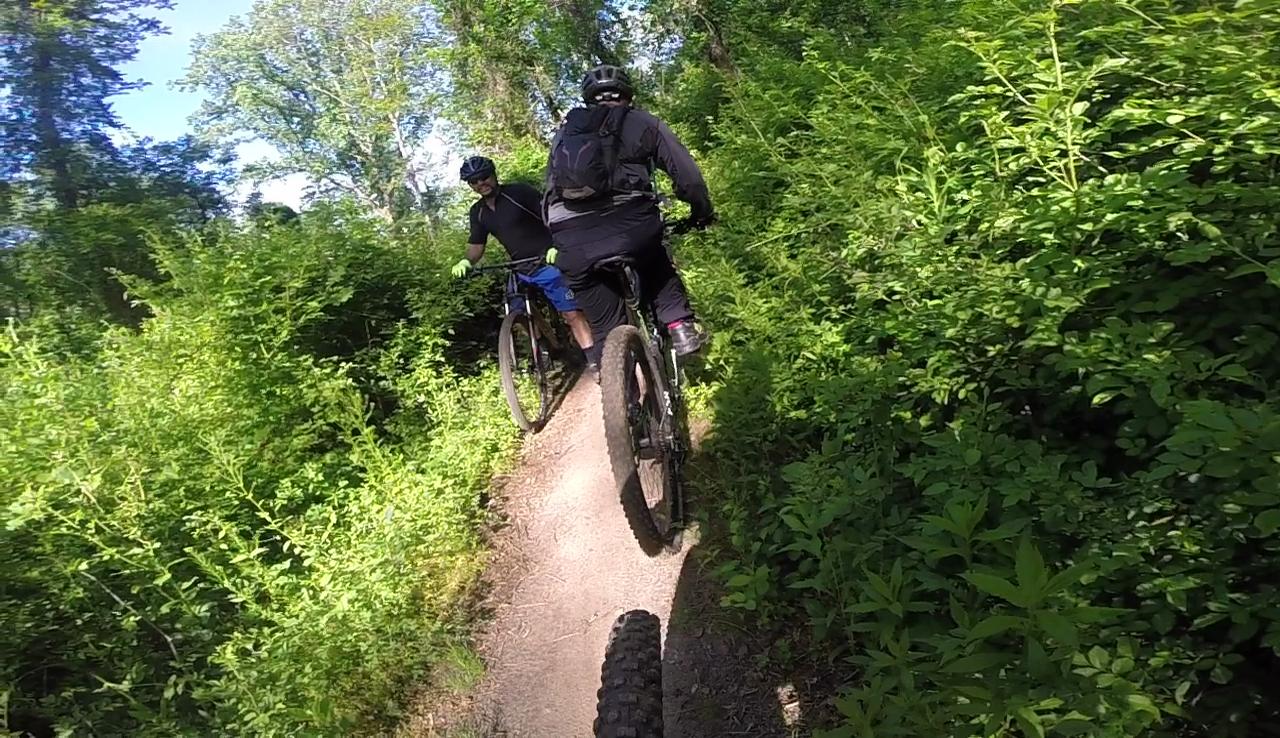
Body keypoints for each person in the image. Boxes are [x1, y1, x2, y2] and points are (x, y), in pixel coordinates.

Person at [543, 64, 714, 371]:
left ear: (588, 99)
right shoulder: (642, 121)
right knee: (654, 260)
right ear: (628, 94)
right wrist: (701, 210)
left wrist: (559, 238)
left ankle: (613, 374)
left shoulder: (566, 132)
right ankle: (680, 327)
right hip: (630, 224)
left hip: (570, 235)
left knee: (604, 325)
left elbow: (549, 190)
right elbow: (687, 177)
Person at [451, 155, 594, 361]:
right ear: (470, 185)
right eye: (474, 181)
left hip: (546, 261)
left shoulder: (519, 193)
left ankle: (593, 359)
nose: (481, 183)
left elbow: (551, 217)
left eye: (484, 176)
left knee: (571, 314)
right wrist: (466, 261)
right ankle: (546, 346)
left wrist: (557, 245)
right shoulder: (478, 212)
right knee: (515, 311)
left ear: (494, 174)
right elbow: (476, 245)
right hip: (520, 269)